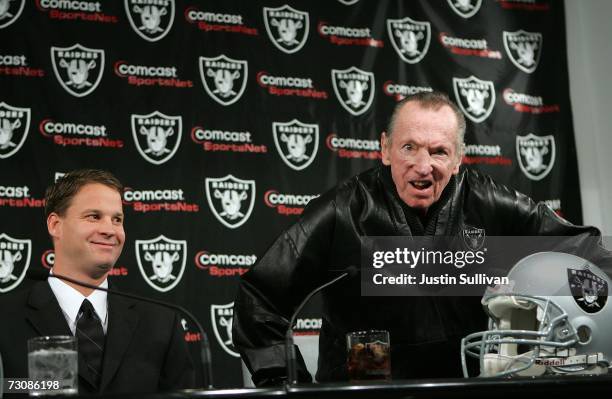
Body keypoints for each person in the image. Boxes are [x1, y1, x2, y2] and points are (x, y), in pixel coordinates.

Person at [232, 91, 610, 386]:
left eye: (439, 151)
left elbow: (589, 251)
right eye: (409, 147)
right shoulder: (341, 211)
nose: (423, 166)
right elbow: (259, 300)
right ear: (384, 149)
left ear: (459, 158)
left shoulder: (489, 203)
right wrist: (292, 385)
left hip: (467, 391)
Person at [0, 169, 194, 394]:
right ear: (55, 225)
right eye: (94, 216)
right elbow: (9, 388)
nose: (110, 230)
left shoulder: (162, 323)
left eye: (117, 219)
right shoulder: (5, 318)